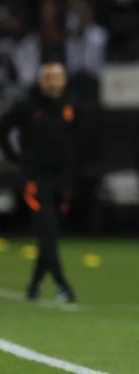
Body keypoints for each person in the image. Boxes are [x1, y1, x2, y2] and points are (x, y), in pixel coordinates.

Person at [0, 62, 78, 303]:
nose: (54, 83)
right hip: (36, 179)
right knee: (48, 232)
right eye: (49, 78)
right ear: (41, 81)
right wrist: (16, 157)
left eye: (58, 78)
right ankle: (63, 285)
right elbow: (3, 129)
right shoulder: (28, 106)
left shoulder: (70, 106)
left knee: (50, 236)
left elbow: (78, 140)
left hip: (62, 180)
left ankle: (34, 286)